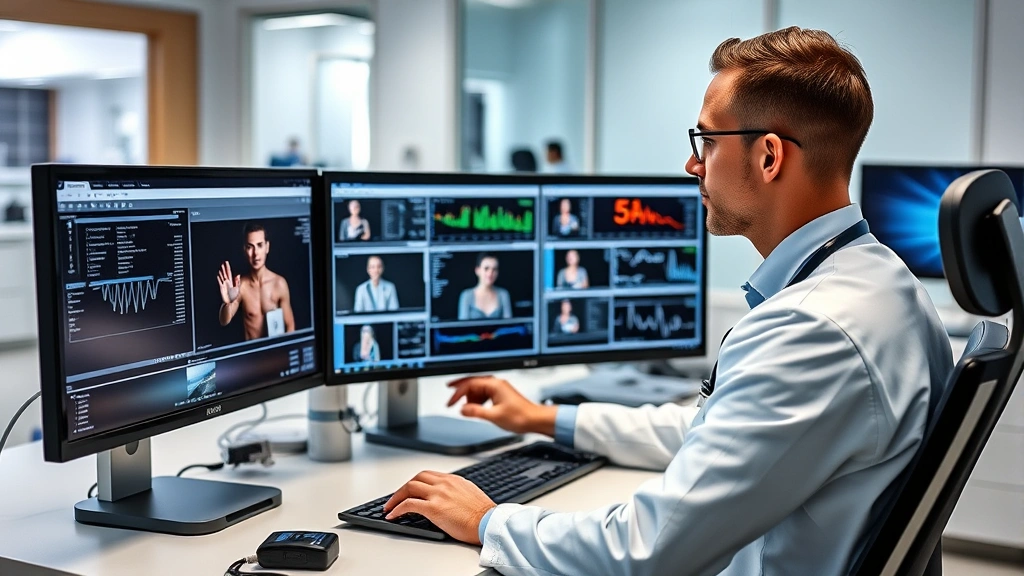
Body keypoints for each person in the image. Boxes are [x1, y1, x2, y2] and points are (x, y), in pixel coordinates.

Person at [382, 27, 953, 575]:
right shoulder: (885, 285)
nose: (692, 164)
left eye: (706, 139)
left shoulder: (811, 328)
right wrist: (545, 418)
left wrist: (489, 520)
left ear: (769, 157)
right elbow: (721, 432)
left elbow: (645, 553)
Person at [218, 222, 295, 340]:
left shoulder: (279, 283)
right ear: (245, 250)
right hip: (253, 355)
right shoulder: (241, 286)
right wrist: (227, 303)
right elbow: (224, 321)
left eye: (259, 245)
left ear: (267, 247)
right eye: (250, 247)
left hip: (275, 354)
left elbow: (290, 326)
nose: (255, 253)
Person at [458, 253, 512, 320]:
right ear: (477, 270)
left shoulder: (503, 294)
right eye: (486, 268)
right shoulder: (466, 295)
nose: (490, 273)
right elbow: (462, 327)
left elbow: (509, 325)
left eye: (494, 269)